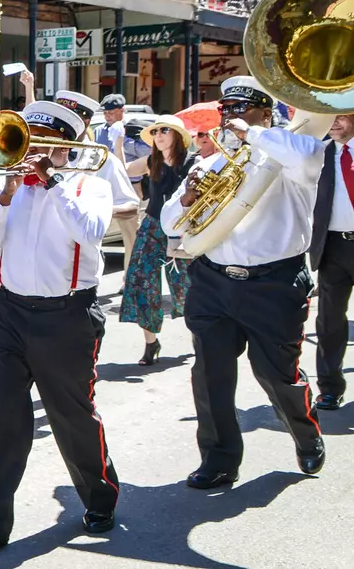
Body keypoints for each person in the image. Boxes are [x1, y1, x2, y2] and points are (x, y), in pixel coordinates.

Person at [0, 100, 119, 559]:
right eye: (24, 138)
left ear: (63, 148)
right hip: (9, 314)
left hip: (66, 316)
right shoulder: (5, 188)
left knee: (72, 415)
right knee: (3, 420)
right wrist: (6, 197)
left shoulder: (90, 186)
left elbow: (89, 233)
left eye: (41, 143)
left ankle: (100, 496)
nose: (28, 151)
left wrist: (50, 184)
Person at [160, 76, 326, 490]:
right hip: (214, 283)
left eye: (241, 110)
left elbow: (308, 158)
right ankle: (218, 460)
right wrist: (185, 201)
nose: (230, 119)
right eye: (226, 111)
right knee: (209, 375)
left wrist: (253, 134)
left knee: (277, 375)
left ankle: (306, 435)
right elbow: (168, 223)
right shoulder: (209, 163)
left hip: (275, 283)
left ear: (266, 113)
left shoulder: (287, 159)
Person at [119, 115, 196, 365]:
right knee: (141, 281)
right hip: (152, 225)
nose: (159, 135)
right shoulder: (153, 161)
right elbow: (125, 171)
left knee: (187, 286)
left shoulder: (191, 162)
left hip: (181, 228)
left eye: (164, 130)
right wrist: (119, 141)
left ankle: (200, 334)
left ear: (177, 136)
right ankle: (151, 343)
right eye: (155, 132)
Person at [55, 90, 141, 255]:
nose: (60, 125)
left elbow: (131, 206)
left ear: (85, 121)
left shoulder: (104, 160)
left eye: (68, 119)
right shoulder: (44, 154)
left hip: (78, 259)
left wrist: (99, 211)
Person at [312, 113, 354, 411]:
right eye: (328, 117)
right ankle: (329, 388)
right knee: (329, 322)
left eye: (340, 116)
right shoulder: (318, 154)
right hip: (333, 248)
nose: (333, 123)